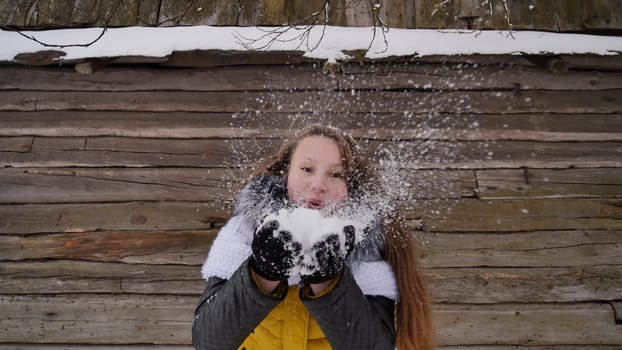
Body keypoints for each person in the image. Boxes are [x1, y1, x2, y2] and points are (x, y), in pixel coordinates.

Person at [192, 124, 434, 350]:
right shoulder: (242, 236)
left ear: (353, 186)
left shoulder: (365, 253)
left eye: (337, 174)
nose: (319, 185)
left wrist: (327, 280)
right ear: (285, 173)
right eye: (307, 169)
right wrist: (263, 272)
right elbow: (208, 341)